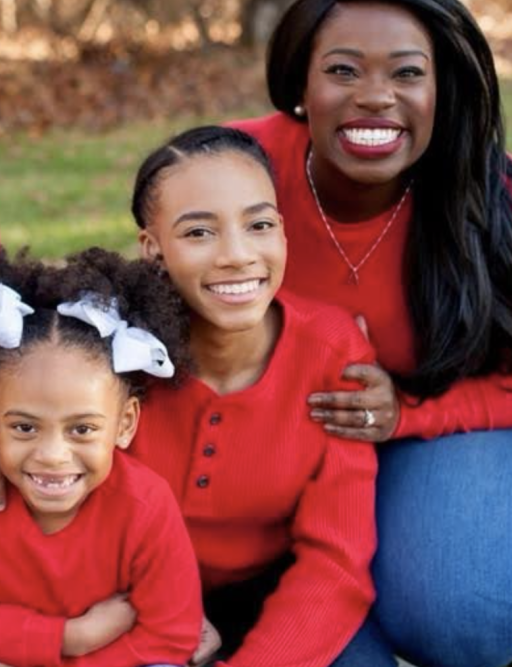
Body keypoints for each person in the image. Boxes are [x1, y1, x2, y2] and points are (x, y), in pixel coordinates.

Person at [227, 0, 512, 667]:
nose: (374, 99)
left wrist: (408, 415)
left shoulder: (505, 203)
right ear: (299, 85)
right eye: (342, 71)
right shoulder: (231, 172)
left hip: (443, 421)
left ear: (441, 88)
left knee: (459, 622)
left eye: (406, 74)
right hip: (284, 438)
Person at [128, 125, 394, 667]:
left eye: (260, 225)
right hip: (128, 602)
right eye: (199, 233)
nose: (237, 255)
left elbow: (336, 560)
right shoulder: (112, 349)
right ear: (153, 250)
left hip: (277, 595)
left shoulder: (333, 351)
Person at [0, 248, 204, 667]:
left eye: (81, 429)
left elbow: (171, 636)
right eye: (25, 428)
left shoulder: (146, 505)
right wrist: (70, 638)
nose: (52, 455)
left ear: (124, 424)